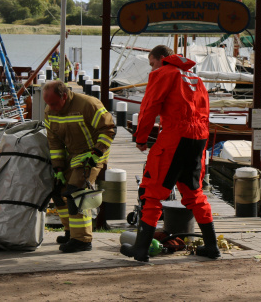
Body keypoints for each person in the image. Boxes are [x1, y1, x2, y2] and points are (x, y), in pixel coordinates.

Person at [121, 45, 221, 262]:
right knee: (194, 192)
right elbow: (204, 113)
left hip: (175, 137)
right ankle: (211, 246)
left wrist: (141, 138)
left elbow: (149, 107)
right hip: (198, 139)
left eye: (152, 62)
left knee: (152, 192)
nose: (151, 68)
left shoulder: (163, 74)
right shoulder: (196, 79)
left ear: (162, 58)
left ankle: (141, 250)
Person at [42, 80, 116, 253]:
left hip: (93, 153)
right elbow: (54, 143)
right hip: (73, 155)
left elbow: (108, 130)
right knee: (58, 190)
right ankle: (71, 232)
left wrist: (96, 154)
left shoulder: (88, 104)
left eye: (53, 103)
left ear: (64, 96)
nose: (51, 108)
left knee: (77, 191)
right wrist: (58, 169)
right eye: (48, 104)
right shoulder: (50, 111)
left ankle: (82, 240)